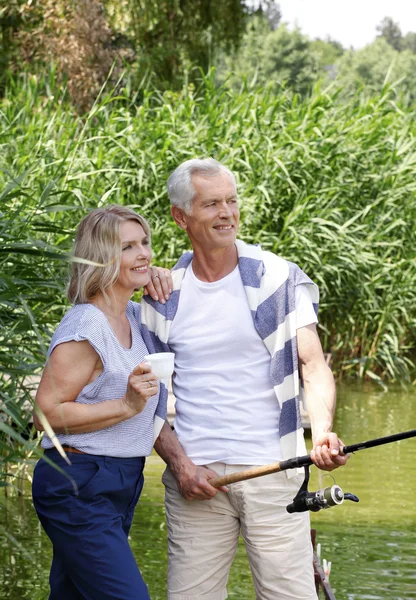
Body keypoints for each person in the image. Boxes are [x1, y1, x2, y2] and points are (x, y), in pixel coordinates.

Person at [141, 158, 349, 600]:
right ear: (181, 217)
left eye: (232, 201)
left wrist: (325, 433)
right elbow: (147, 397)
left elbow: (312, 367)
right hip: (196, 479)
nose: (227, 213)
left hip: (276, 472)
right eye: (212, 203)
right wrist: (180, 467)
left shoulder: (278, 277)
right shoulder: (161, 292)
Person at [32, 205, 172, 600]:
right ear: (101, 259)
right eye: (128, 247)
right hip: (78, 481)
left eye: (144, 242)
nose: (143, 253)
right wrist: (126, 406)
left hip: (121, 478)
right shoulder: (86, 325)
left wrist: (165, 281)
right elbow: (45, 413)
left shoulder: (133, 315)